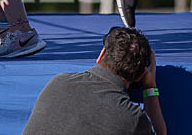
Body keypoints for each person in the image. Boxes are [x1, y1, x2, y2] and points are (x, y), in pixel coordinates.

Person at [24, 27, 166, 135]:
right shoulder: (133, 118)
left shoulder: (58, 82)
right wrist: (150, 87)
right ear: (140, 76)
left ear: (101, 55)